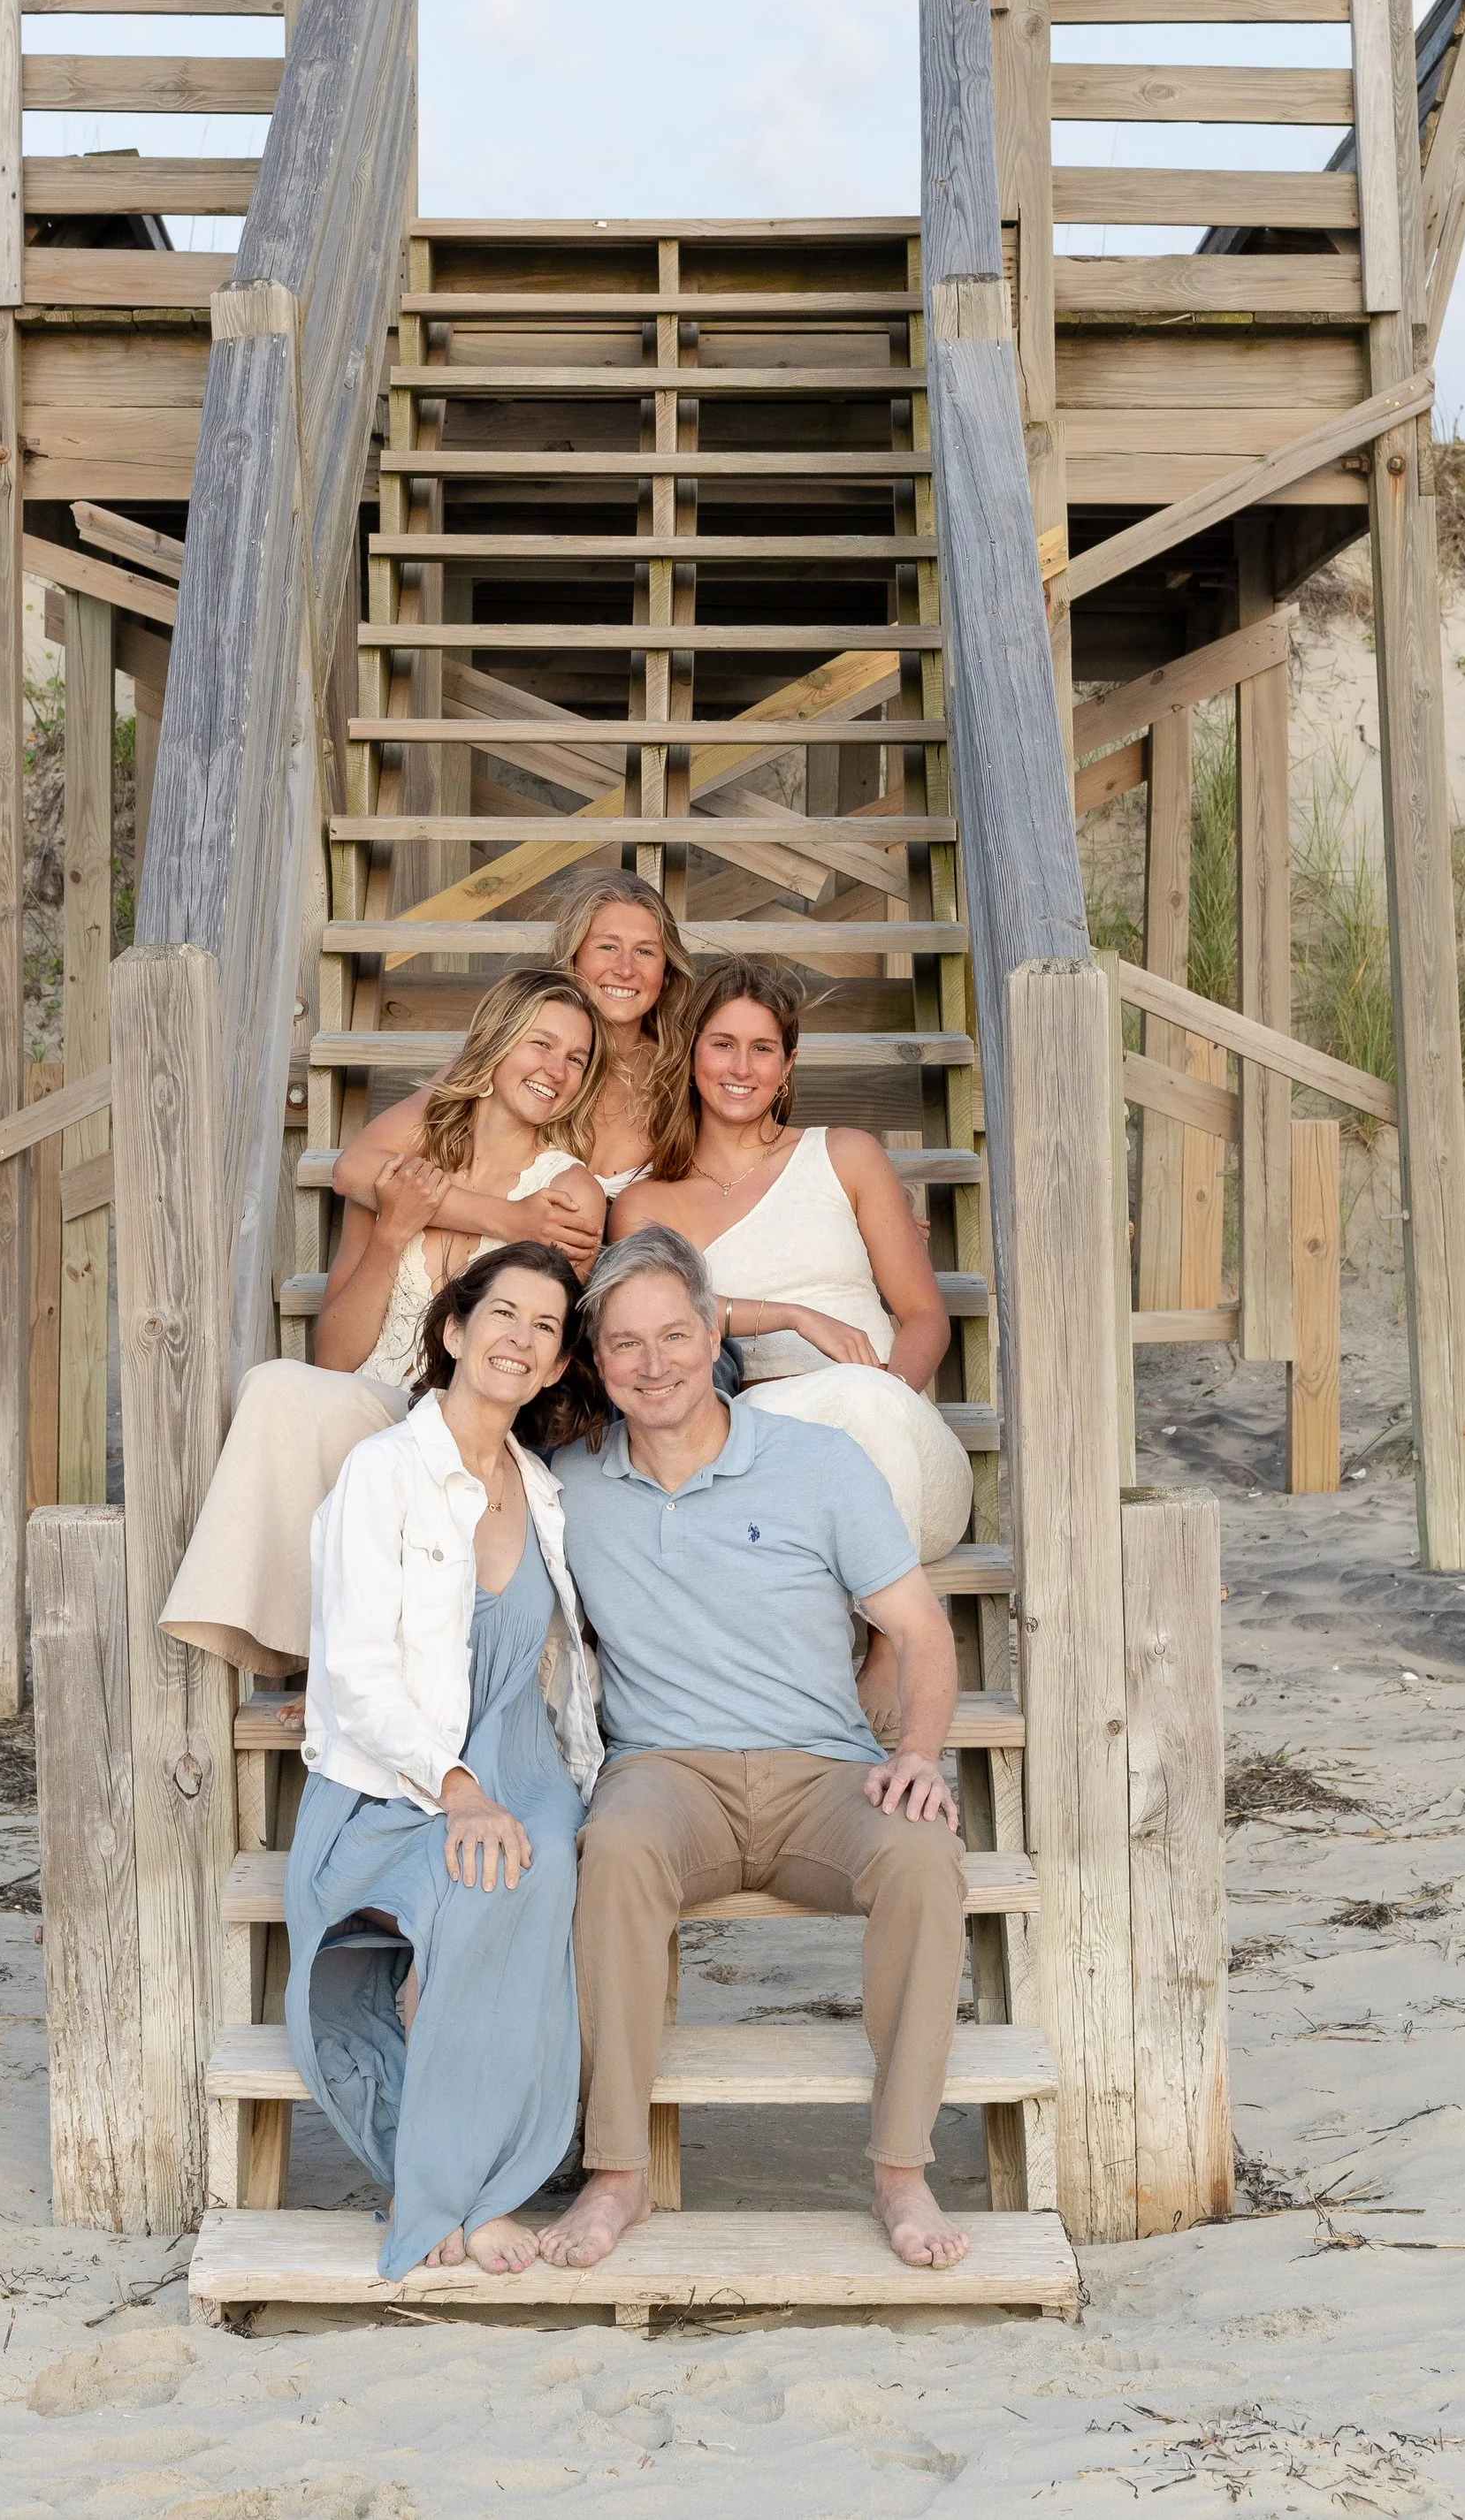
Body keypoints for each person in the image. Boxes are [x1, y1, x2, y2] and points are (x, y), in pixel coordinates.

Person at [535, 1223, 972, 2275]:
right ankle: (618, 2174)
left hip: (823, 1771)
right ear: (596, 1363)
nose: (653, 1364)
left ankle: (900, 2171)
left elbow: (919, 1631)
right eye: (625, 1344)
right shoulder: (565, 1485)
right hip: (665, 1774)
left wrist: (915, 1752)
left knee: (921, 1854)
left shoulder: (817, 1463)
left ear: (716, 1330)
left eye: (674, 1335)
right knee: (618, 1848)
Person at [281, 1241, 605, 2280]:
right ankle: (452, 2194)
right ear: (455, 1330)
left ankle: (483, 2192)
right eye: (501, 1313)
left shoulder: (545, 1491)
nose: (520, 1337)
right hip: (393, 1780)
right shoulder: (384, 1475)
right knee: (469, 1883)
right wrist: (457, 1791)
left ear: (558, 1365)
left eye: (545, 1326)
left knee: (529, 1871)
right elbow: (356, 1676)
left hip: (522, 1767)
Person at [159, 973, 608, 1675]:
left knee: (329, 1411)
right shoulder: (403, 1172)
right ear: (495, 1045)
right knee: (277, 1384)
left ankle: (327, 1661)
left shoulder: (566, 1190)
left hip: (475, 1420)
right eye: (541, 1043)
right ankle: (301, 1649)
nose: (557, 1069)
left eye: (577, 1058)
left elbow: (542, 1346)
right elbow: (335, 1357)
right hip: (371, 1402)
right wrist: (395, 1232)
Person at [607, 955, 973, 1573]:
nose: (742, 1068)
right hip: (756, 1449)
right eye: (723, 1045)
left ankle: (889, 1650)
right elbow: (657, 1322)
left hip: (904, 1453)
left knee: (861, 1404)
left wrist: (887, 1395)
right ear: (692, 1055)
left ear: (788, 1065)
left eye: (762, 1049)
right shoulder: (647, 1205)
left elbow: (924, 1316)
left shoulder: (847, 1155)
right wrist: (793, 1317)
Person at [335, 871, 697, 1214]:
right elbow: (354, 1169)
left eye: (646, 952)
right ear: (573, 958)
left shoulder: (685, 1075)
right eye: (607, 946)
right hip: (514, 1269)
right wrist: (506, 1218)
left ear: (666, 972)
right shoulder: (513, 1063)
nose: (625, 968)